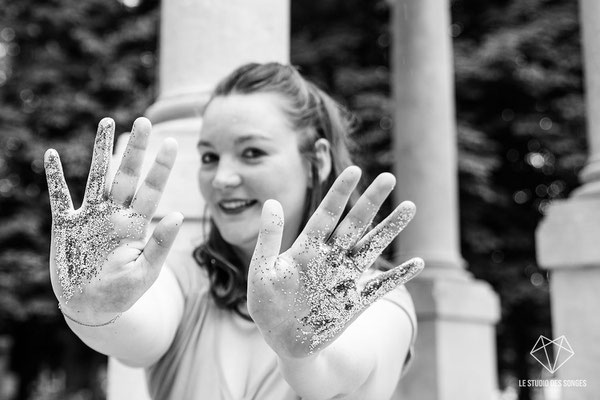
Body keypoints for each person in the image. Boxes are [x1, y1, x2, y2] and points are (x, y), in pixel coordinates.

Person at [44, 62, 424, 400]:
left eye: (252, 152)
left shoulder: (374, 297)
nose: (222, 178)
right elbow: (136, 329)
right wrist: (92, 312)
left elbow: (350, 373)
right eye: (209, 157)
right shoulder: (182, 277)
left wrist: (305, 352)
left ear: (317, 160)